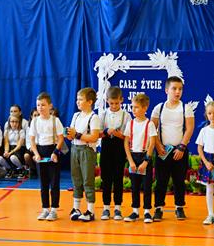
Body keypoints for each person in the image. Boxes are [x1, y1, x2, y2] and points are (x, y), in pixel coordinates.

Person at [151, 76, 195, 221]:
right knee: (161, 181)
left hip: (179, 151)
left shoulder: (186, 108)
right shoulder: (159, 108)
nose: (177, 92)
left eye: (180, 89)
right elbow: (152, 129)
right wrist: (158, 145)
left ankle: (179, 207)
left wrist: (182, 147)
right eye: (174, 88)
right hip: (163, 150)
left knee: (179, 181)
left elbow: (189, 129)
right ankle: (158, 208)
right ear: (166, 90)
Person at [66, 87, 102, 222]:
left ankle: (90, 211)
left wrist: (77, 135)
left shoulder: (94, 117)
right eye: (77, 99)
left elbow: (94, 137)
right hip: (75, 149)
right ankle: (76, 208)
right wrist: (68, 134)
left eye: (81, 99)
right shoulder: (76, 115)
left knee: (87, 180)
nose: (78, 102)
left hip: (87, 151)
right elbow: (72, 135)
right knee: (76, 179)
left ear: (90, 102)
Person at [29, 92, 65, 221]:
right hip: (40, 151)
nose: (40, 108)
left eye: (43, 105)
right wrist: (36, 154)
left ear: (50, 106)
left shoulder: (55, 120)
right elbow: (32, 140)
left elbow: (61, 139)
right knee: (43, 183)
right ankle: (45, 209)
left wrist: (55, 152)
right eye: (38, 105)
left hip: (53, 151)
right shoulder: (34, 121)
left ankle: (54, 210)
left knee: (54, 182)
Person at [124, 93, 158, 223]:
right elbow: (126, 143)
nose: (133, 109)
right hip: (133, 156)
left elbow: (152, 143)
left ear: (145, 108)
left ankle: (147, 212)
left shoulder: (149, 124)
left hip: (145, 157)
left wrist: (146, 161)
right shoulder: (130, 123)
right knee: (135, 186)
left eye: (136, 107)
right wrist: (130, 161)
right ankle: (135, 211)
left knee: (147, 186)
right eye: (132, 107)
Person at [99, 86, 130, 220]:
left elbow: (128, 136)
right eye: (111, 103)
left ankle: (117, 208)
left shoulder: (126, 115)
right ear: (107, 101)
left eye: (117, 103)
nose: (114, 106)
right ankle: (106, 208)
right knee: (106, 179)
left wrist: (118, 134)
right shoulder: (103, 114)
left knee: (118, 178)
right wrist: (106, 132)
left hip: (119, 148)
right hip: (106, 148)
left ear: (121, 100)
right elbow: (98, 134)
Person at [0, 113, 30, 178]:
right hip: (9, 148)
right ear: (9, 122)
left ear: (19, 122)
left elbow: (19, 145)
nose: (14, 123)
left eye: (16, 122)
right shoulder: (7, 131)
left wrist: (10, 153)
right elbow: (6, 143)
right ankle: (11, 169)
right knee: (0, 158)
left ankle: (22, 169)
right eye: (12, 122)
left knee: (12, 157)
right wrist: (6, 151)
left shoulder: (21, 131)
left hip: (18, 149)